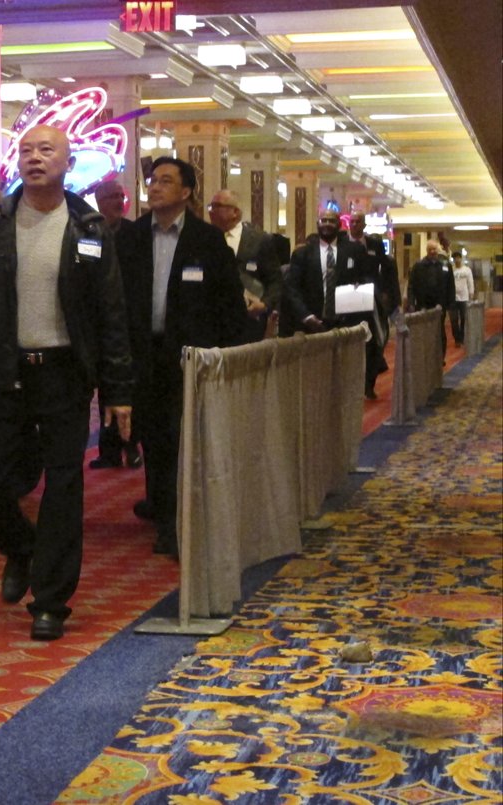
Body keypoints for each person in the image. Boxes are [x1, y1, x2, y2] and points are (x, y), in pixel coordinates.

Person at [0, 125, 133, 641]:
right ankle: (23, 550)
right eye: (25, 151)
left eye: (46, 151)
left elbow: (110, 314)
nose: (34, 158)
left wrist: (118, 390)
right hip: (0, 375)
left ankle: (50, 601)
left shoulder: (89, 228)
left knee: (64, 488)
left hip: (66, 376)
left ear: (69, 163)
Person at [120, 156, 246, 556]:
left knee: (182, 438)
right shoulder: (131, 237)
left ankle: (178, 523)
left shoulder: (207, 242)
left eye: (166, 181)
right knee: (153, 438)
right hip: (144, 356)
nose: (155, 187)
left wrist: (227, 358)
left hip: (191, 358)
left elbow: (229, 306)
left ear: (186, 192)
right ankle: (161, 511)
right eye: (153, 180)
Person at [283, 211, 380, 394]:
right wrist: (306, 316)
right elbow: (292, 289)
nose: (327, 224)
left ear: (339, 225)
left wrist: (361, 285)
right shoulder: (303, 254)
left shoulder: (354, 250)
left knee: (343, 375)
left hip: (346, 322)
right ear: (318, 223)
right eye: (323, 220)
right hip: (313, 324)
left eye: (331, 221)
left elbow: (368, 277)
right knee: (315, 377)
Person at [89, 180, 142, 470]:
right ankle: (108, 451)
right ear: (98, 200)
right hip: (98, 323)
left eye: (120, 197)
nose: (117, 201)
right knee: (104, 391)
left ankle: (132, 444)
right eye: (110, 197)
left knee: (127, 389)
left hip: (130, 323)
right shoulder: (90, 233)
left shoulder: (135, 234)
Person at [207, 189, 282, 343]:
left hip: (249, 323)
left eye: (217, 206)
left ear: (235, 212)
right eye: (211, 206)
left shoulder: (260, 240)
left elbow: (276, 280)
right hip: (212, 322)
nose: (211, 211)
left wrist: (264, 304)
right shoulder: (203, 239)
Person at [347, 210, 401, 398]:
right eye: (352, 222)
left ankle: (369, 383)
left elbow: (385, 270)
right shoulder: (342, 244)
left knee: (376, 340)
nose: (354, 225)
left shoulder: (375, 245)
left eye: (358, 222)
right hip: (347, 298)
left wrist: (386, 294)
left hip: (372, 298)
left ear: (363, 224)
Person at [406, 239, 456, 359]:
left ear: (438, 250)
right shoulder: (418, 266)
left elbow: (450, 286)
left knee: (439, 332)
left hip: (440, 305)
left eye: (434, 249)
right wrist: (411, 303)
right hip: (423, 305)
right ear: (427, 251)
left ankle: (440, 357)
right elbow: (411, 286)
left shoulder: (445, 265)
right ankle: (425, 356)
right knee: (423, 332)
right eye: (430, 249)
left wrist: (450, 304)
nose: (432, 251)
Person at [449, 251, 474, 347]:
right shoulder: (451, 270)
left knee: (463, 318)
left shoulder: (467, 270)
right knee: (454, 320)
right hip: (453, 298)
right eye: (454, 258)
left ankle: (462, 337)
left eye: (458, 257)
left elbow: (470, 282)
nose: (456, 260)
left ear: (461, 258)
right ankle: (457, 339)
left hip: (464, 298)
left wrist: (471, 293)